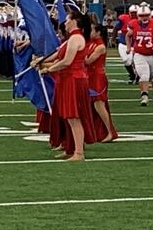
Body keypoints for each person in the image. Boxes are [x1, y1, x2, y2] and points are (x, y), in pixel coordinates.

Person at [39, 11, 97, 161]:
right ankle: (70, 148)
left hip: (74, 79)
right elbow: (59, 55)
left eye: (67, 20)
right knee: (67, 116)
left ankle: (79, 153)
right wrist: (43, 62)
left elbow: (66, 61)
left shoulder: (76, 38)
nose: (64, 23)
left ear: (74, 21)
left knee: (73, 116)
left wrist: (48, 69)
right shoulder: (71, 38)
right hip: (67, 79)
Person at [126, 5, 153, 106]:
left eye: (146, 15)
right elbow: (128, 35)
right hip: (139, 54)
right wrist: (128, 47)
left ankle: (147, 91)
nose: (144, 17)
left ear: (150, 15)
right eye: (141, 15)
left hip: (152, 55)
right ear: (137, 16)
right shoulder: (134, 24)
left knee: (152, 76)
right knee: (144, 75)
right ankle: (144, 96)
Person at [85, 22, 118, 142]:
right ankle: (95, 131)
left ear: (98, 32)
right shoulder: (90, 44)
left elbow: (88, 61)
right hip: (90, 76)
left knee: (99, 105)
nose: (89, 32)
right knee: (91, 105)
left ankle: (110, 131)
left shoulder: (100, 46)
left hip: (97, 78)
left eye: (92, 30)